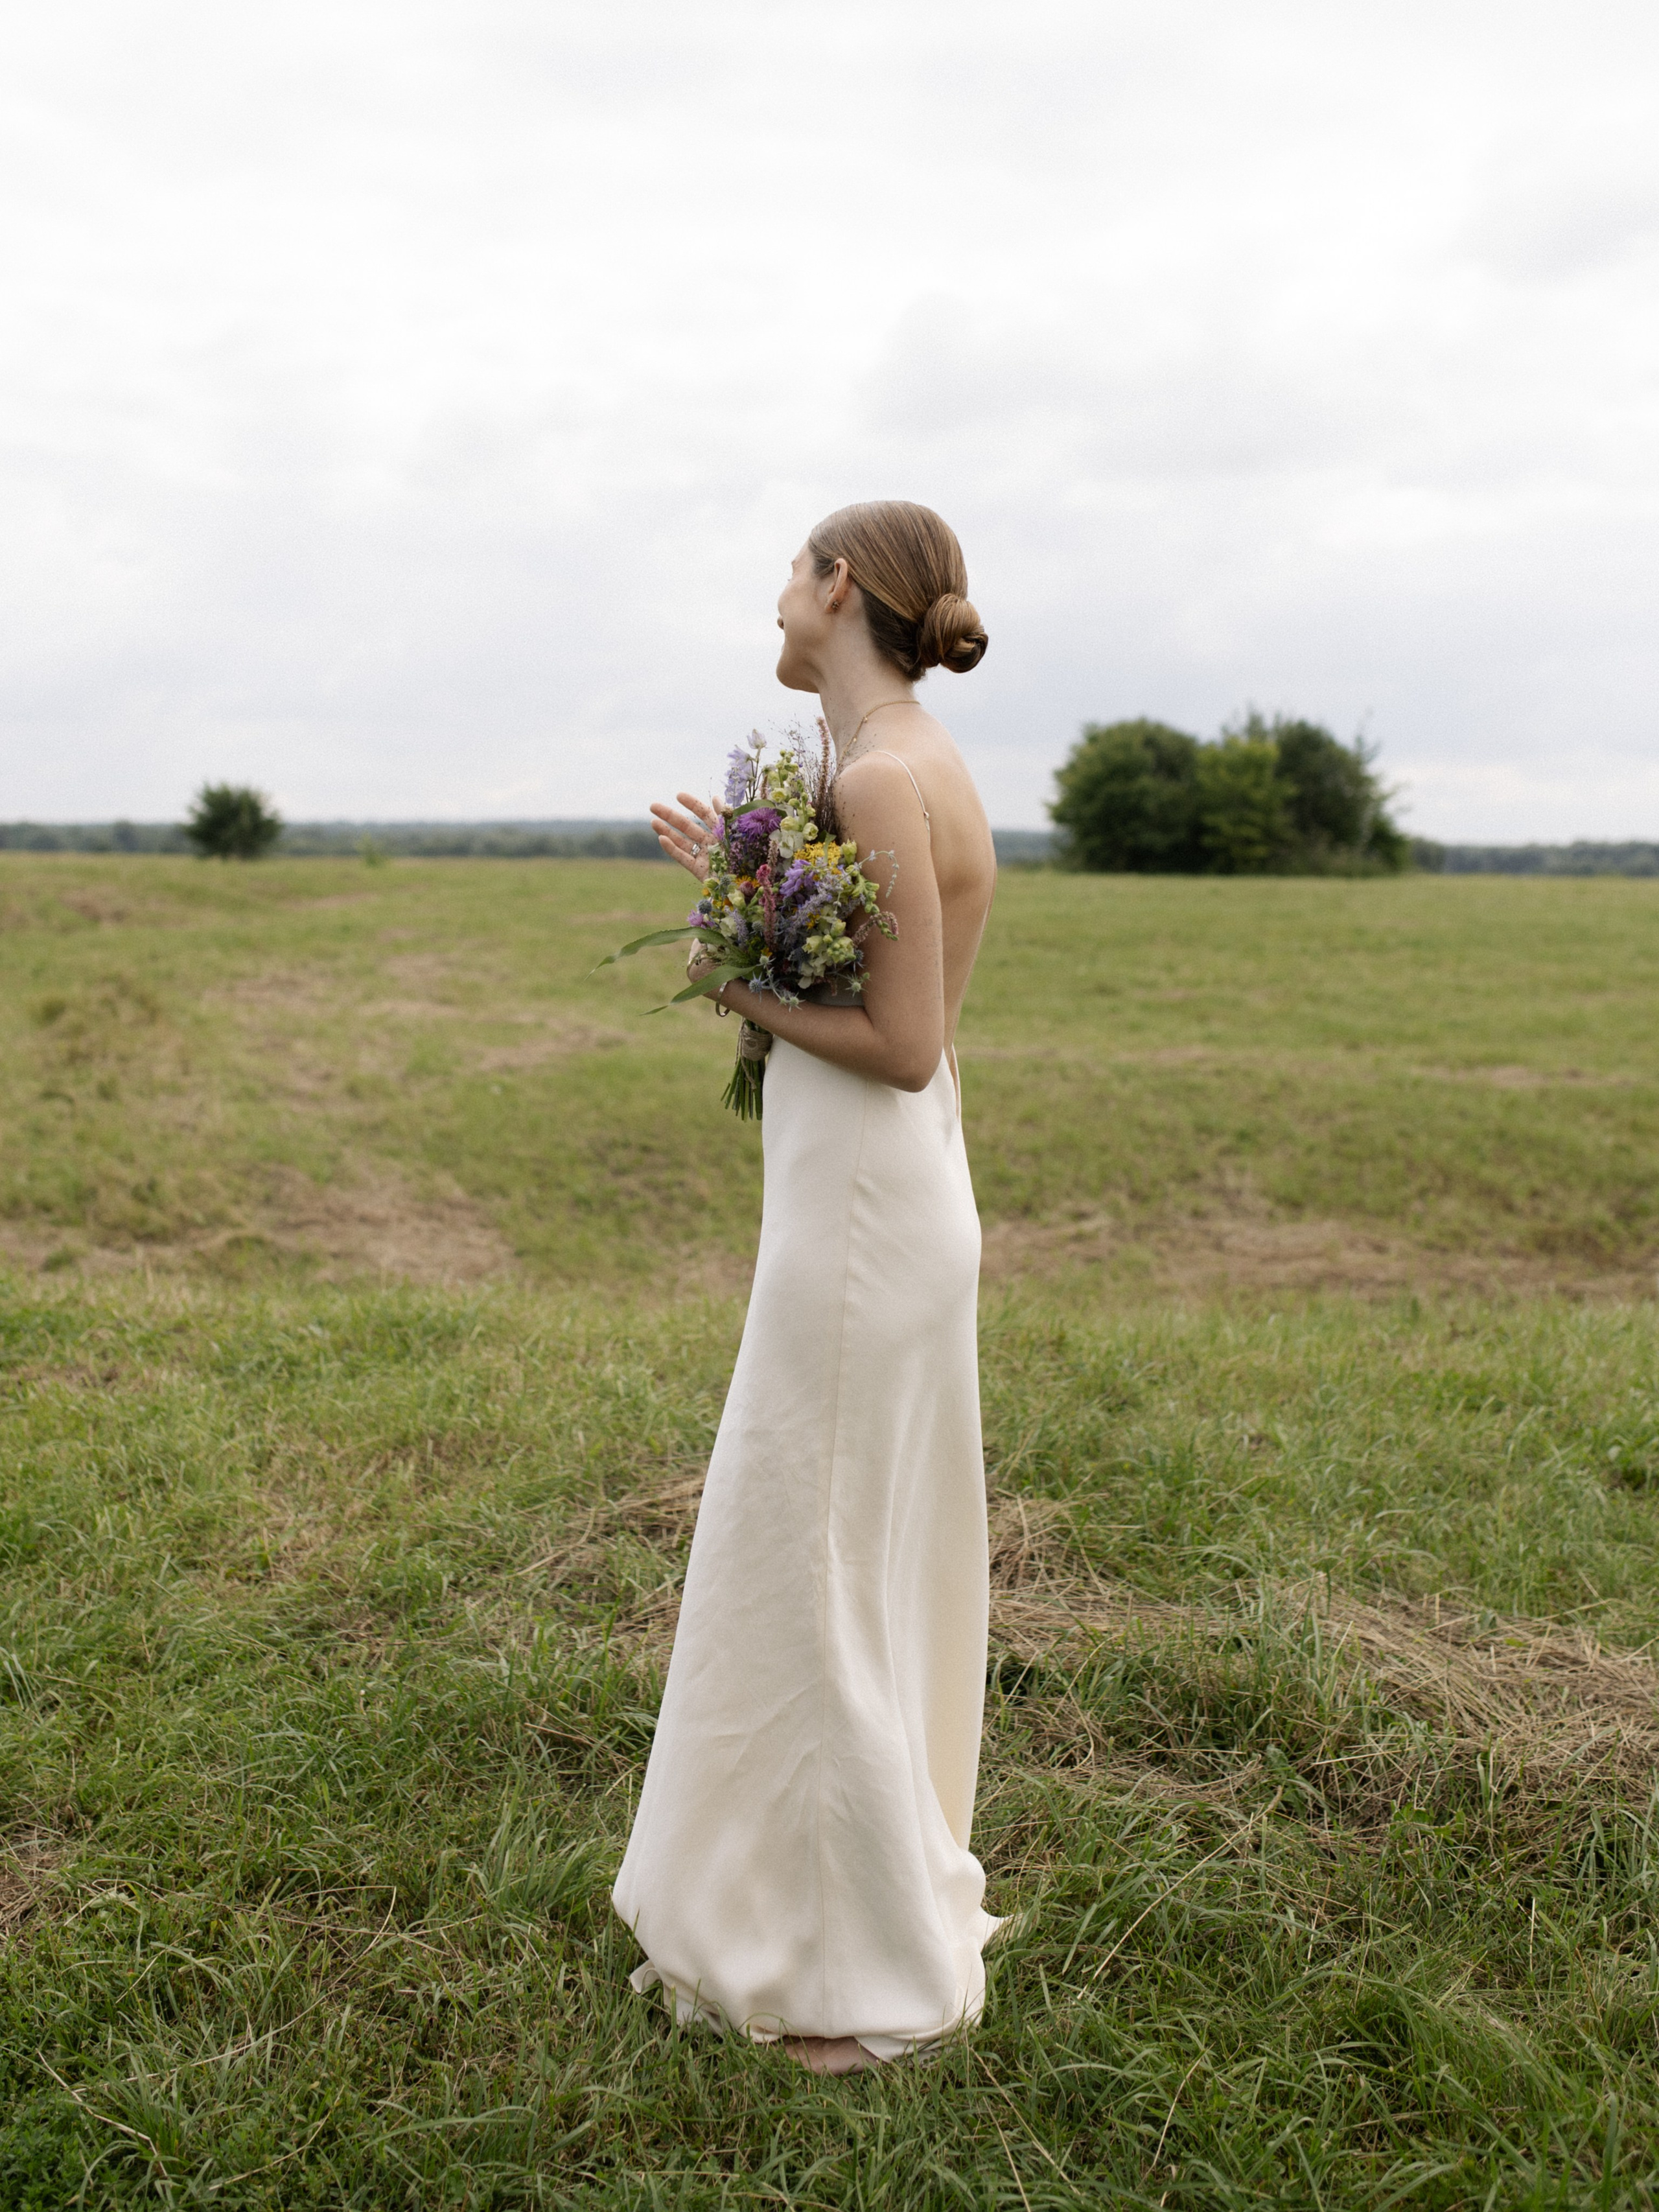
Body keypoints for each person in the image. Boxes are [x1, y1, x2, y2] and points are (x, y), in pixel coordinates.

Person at [612, 500, 997, 2075]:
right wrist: (751, 902)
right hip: (863, 1205)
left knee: (815, 1560)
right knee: (823, 1550)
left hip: (862, 1218)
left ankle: (846, 1972)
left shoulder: (886, 771)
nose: (773, 596)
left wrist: (732, 971)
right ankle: (817, 1898)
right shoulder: (884, 759)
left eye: (789, 568)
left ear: (840, 587)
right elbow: (866, 996)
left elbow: (901, 1047)